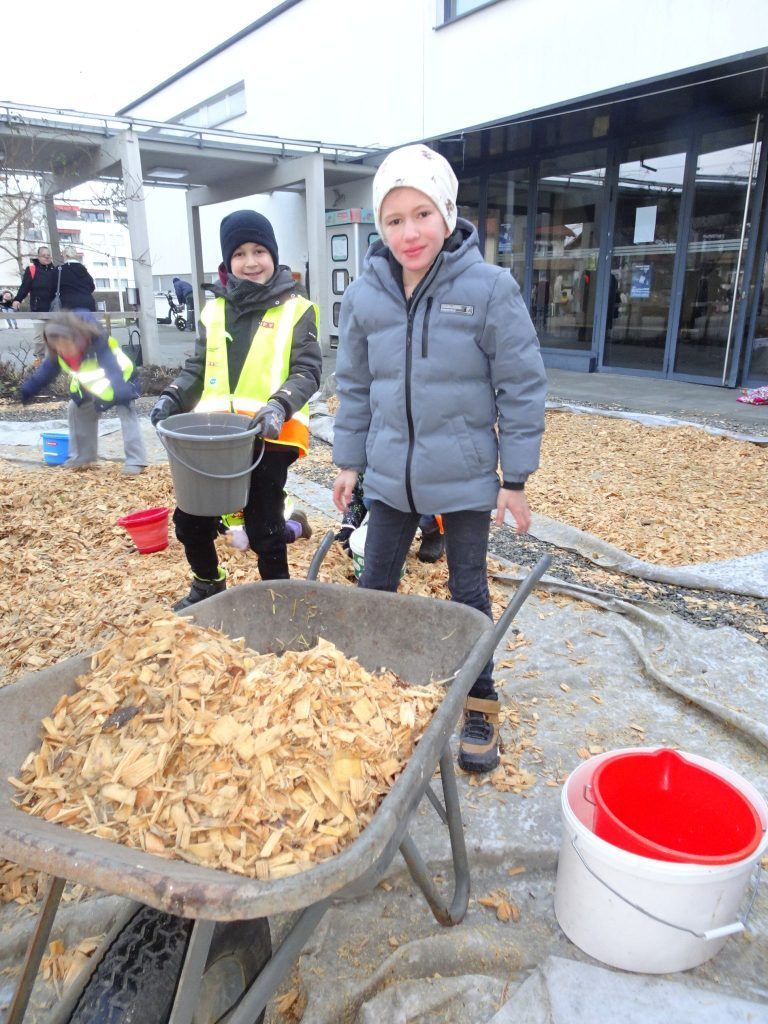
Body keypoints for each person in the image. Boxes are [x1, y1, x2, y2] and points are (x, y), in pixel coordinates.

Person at [332, 144, 546, 774]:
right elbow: (356, 388)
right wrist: (348, 463)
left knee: (467, 592)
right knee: (375, 585)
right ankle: (371, 693)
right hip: (390, 474)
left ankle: (479, 703)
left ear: (447, 214)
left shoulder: (487, 288)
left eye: (421, 214)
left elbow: (522, 383)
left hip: (463, 475)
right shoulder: (367, 295)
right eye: (393, 219)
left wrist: (516, 479)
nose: (408, 232)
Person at [151, 210, 322, 611]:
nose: (250, 261)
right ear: (227, 262)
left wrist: (279, 404)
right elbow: (197, 369)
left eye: (259, 250)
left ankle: (278, 599)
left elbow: (308, 371)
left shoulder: (298, 310)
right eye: (240, 253)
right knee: (191, 520)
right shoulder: (215, 311)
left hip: (269, 437)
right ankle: (209, 582)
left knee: (264, 525)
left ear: (274, 256)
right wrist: (172, 396)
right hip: (215, 438)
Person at [18, 310, 147, 475]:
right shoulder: (58, 353)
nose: (62, 350)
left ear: (76, 338)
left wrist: (121, 390)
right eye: (57, 347)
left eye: (65, 345)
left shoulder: (97, 344)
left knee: (127, 412)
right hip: (93, 386)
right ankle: (82, 457)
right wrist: (28, 390)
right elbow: (45, 372)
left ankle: (136, 460)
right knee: (75, 409)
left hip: (120, 381)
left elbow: (111, 367)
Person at [335, 472, 445, 563]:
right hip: (385, 491)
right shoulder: (365, 468)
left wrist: (371, 534)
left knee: (426, 515)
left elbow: (392, 513)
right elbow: (356, 495)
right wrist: (349, 526)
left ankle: (434, 534)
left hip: (423, 496)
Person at [12, 245, 56, 313]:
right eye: (43, 255)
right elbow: (25, 286)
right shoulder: (32, 269)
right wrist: (17, 299)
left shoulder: (55, 270)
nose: (47, 257)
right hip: (37, 308)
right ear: (38, 257)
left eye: (48, 255)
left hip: (54, 308)